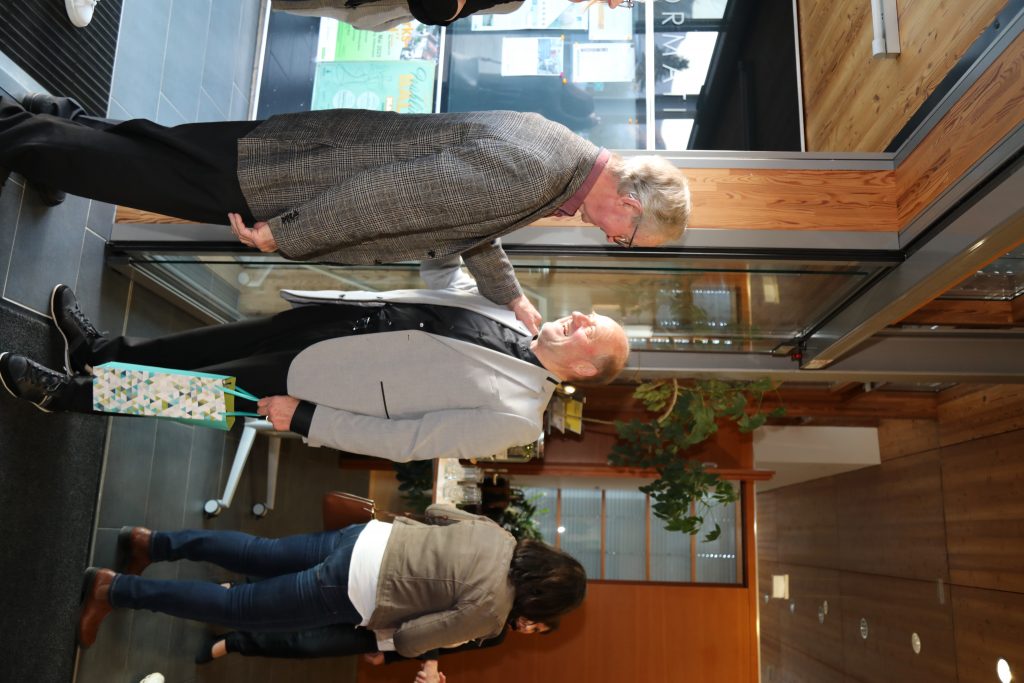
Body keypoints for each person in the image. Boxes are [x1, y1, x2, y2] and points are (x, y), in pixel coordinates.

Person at [0, 93, 691, 332]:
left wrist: (508, 295)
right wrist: (287, 232)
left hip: (310, 155)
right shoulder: (535, 172)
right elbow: (393, 197)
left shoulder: (558, 154)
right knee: (144, 172)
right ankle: (24, 136)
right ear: (628, 205)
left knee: (162, 151)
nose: (616, 240)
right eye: (629, 238)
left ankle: (54, 124)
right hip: (295, 181)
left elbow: (466, 223)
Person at [0, 256, 630, 461]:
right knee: (206, 344)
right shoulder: (517, 312)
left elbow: (410, 442)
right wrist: (453, 233)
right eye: (587, 315)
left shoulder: (519, 418)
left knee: (195, 392)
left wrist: (306, 420)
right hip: (330, 322)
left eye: (588, 331)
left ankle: (66, 395)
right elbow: (448, 279)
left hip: (324, 383)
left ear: (582, 369)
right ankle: (99, 352)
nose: (578, 318)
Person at [78, 505, 587, 683]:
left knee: (257, 551)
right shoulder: (492, 614)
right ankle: (116, 589)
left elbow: (437, 511)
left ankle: (151, 543)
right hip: (353, 586)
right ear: (542, 600)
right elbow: (410, 641)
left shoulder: (499, 536)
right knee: (238, 608)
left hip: (366, 538)